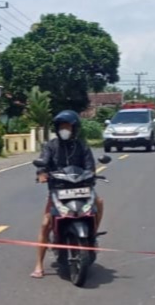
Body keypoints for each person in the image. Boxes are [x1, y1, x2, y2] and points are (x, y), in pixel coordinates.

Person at [31, 110, 102, 278]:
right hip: (58, 190)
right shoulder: (51, 146)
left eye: (68, 126)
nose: (65, 129)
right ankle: (39, 265)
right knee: (45, 223)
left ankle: (93, 235)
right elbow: (43, 161)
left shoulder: (81, 146)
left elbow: (90, 165)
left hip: (81, 189)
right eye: (62, 126)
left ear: (74, 128)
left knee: (99, 203)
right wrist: (41, 173)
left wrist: (91, 173)